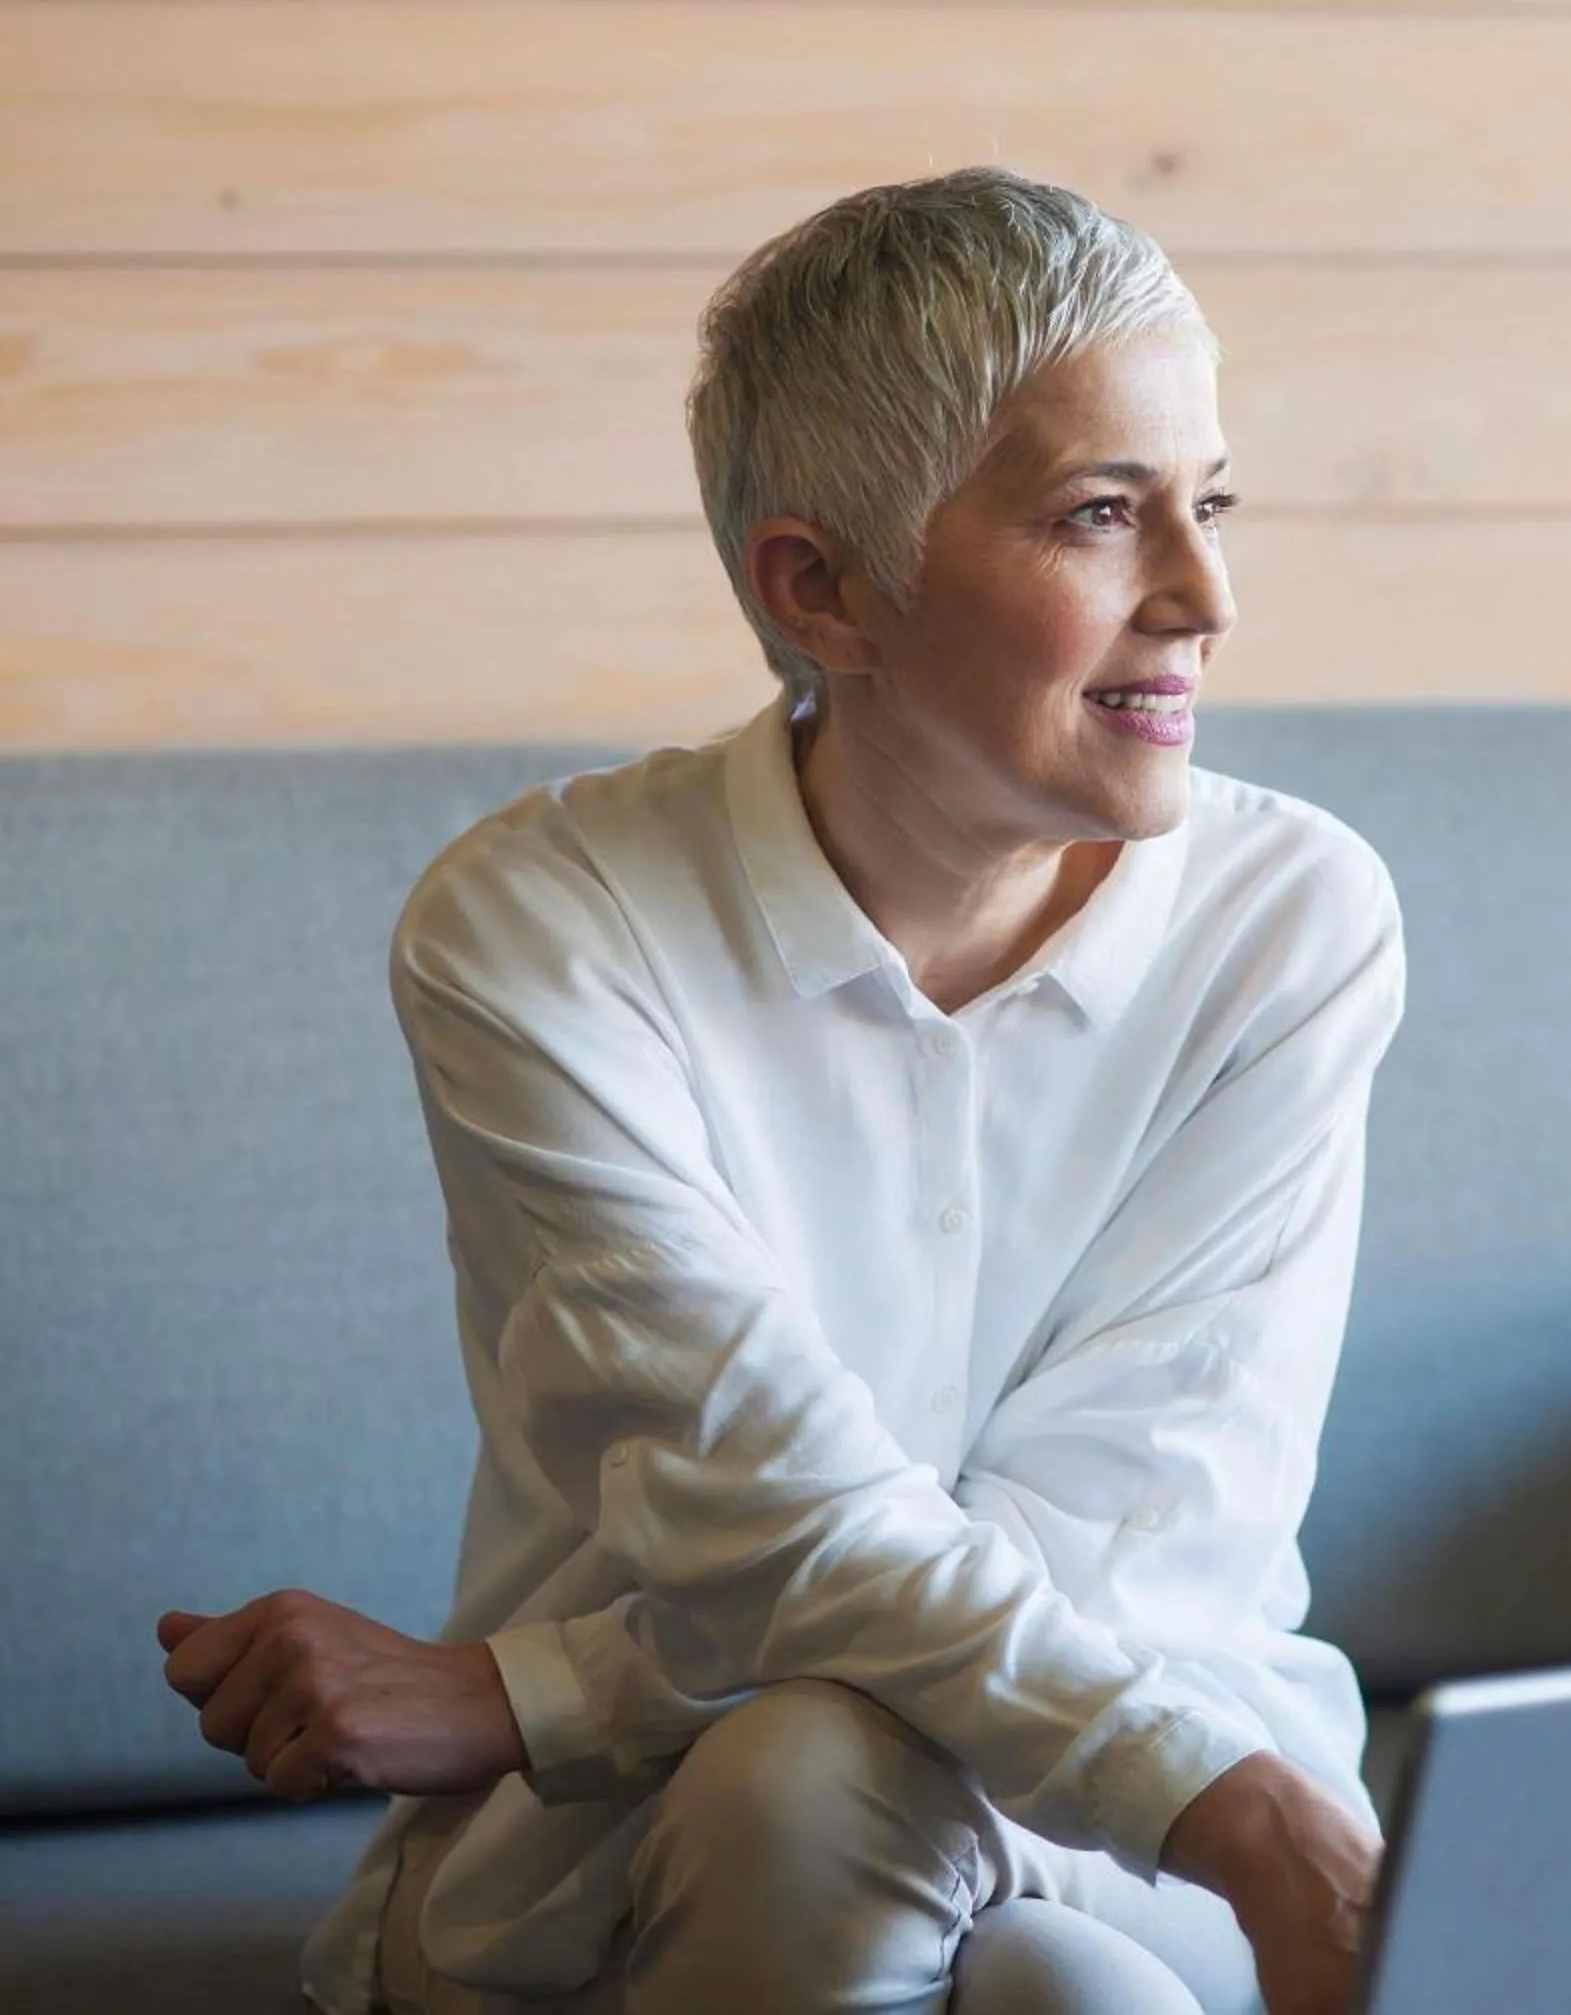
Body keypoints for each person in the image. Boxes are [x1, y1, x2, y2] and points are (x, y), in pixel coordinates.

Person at [151, 168, 1405, 2015]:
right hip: (656, 1842)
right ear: (822, 589)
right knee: (832, 1795)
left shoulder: (1293, 919)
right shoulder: (547, 931)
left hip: (1132, 1785)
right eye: (1098, 515)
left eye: (1206, 502)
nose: (1205, 596)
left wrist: (533, 1687)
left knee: (1058, 1961)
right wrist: (1242, 1819)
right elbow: (778, 1509)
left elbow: (1127, 1535)